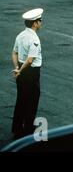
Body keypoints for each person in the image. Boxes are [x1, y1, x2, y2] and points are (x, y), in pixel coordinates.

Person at [11, 8, 44, 139]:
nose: (41, 23)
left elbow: (14, 52)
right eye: (40, 21)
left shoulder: (20, 35)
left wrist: (17, 68)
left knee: (21, 100)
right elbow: (30, 60)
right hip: (31, 73)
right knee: (32, 100)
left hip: (21, 70)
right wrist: (21, 69)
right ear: (35, 23)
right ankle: (29, 129)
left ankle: (17, 128)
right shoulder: (34, 39)